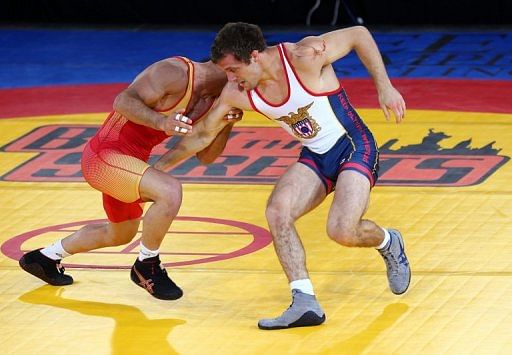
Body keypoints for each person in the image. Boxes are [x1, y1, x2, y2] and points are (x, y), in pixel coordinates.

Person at [159, 22, 411, 328]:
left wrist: (384, 86)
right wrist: (155, 170)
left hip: (353, 146)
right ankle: (305, 301)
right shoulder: (237, 92)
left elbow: (359, 35)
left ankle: (388, 241)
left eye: (233, 70)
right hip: (316, 157)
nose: (230, 78)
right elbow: (201, 136)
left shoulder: (303, 58)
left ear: (254, 57)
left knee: (342, 231)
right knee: (277, 212)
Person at [19, 55, 242, 300]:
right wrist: (161, 121)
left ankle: (45, 258)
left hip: (128, 165)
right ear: (228, 66)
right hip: (103, 157)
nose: (246, 83)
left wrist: (226, 122)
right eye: (243, 74)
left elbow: (206, 156)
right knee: (169, 191)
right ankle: (146, 265)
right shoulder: (175, 72)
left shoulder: (216, 99)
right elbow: (122, 100)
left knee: (119, 234)